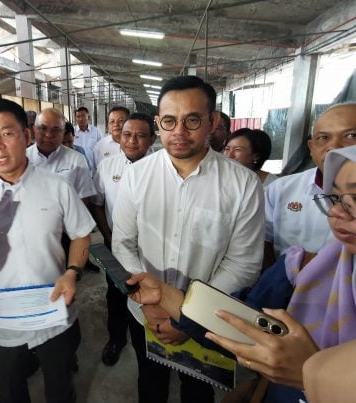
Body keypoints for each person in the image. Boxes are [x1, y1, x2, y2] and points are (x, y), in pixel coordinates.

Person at [125, 144, 356, 403]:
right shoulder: (300, 269)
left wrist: (309, 373)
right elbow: (238, 321)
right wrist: (163, 297)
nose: (336, 212)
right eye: (336, 198)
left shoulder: (242, 183)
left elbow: (242, 263)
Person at [111, 75, 264, 403]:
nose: (179, 131)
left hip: (205, 318)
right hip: (145, 312)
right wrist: (151, 302)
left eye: (192, 120)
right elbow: (123, 243)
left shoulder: (243, 185)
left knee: (198, 390)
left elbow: (244, 263)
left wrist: (188, 315)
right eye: (169, 121)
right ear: (158, 123)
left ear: (212, 122)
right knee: (150, 384)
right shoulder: (137, 176)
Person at [0, 98, 95, 403]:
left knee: (60, 386)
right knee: (10, 388)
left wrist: (72, 273)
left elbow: (81, 235)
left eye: (7, 134)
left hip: (53, 308)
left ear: (26, 136)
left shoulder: (56, 186)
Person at [91, 113, 156, 366]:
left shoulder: (162, 169)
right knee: (117, 293)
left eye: (140, 136)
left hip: (152, 249)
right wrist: (108, 236)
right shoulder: (107, 166)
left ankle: (153, 341)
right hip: (115, 245)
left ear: (152, 139)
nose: (131, 141)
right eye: (127, 135)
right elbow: (98, 204)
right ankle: (116, 338)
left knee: (150, 292)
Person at [264, 102, 356, 265]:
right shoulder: (280, 190)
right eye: (323, 138)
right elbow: (262, 242)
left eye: (351, 135)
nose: (333, 147)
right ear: (311, 148)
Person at [27, 108, 95, 204]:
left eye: (55, 130)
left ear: (63, 132)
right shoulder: (22, 159)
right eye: (43, 128)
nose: (49, 135)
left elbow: (83, 200)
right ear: (34, 129)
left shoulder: (77, 160)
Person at [74, 106, 104, 174]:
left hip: (93, 169)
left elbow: (102, 149)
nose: (80, 119)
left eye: (83, 116)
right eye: (78, 116)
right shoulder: (73, 132)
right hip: (76, 168)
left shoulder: (96, 131)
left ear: (88, 117)